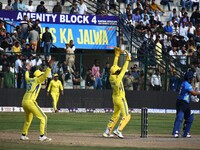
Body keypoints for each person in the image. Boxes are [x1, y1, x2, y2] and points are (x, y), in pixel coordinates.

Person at [20, 58, 54, 141]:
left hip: (24, 101)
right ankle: (42, 136)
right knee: (44, 117)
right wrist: (49, 67)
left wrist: (27, 70)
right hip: (30, 101)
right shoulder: (38, 80)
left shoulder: (29, 80)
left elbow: (26, 76)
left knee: (28, 119)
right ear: (38, 75)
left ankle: (23, 135)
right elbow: (45, 75)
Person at [103, 47, 131, 139]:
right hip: (120, 98)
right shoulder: (118, 78)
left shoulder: (111, 76)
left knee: (115, 115)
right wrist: (128, 59)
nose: (119, 70)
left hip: (114, 98)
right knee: (127, 116)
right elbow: (123, 69)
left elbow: (115, 66)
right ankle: (118, 130)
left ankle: (107, 131)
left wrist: (117, 55)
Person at [172, 70, 200, 138]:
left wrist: (193, 97)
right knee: (180, 116)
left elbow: (189, 93)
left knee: (190, 117)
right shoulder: (186, 84)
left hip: (185, 102)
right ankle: (176, 132)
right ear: (189, 78)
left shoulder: (185, 83)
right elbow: (194, 92)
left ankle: (185, 132)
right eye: (191, 78)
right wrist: (197, 93)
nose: (192, 79)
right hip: (182, 102)